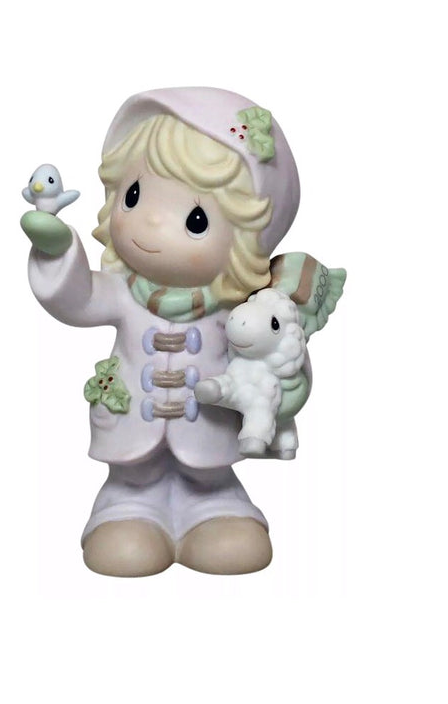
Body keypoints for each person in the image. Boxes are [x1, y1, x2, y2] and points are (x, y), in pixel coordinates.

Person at [21, 87, 311, 577]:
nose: (150, 222)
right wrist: (57, 254)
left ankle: (214, 508)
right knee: (126, 542)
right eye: (133, 196)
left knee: (231, 538)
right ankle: (127, 508)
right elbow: (77, 298)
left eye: (195, 219)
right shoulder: (123, 293)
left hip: (210, 446)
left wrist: (285, 369)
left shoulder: (241, 310)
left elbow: (275, 354)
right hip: (131, 448)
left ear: (246, 242)